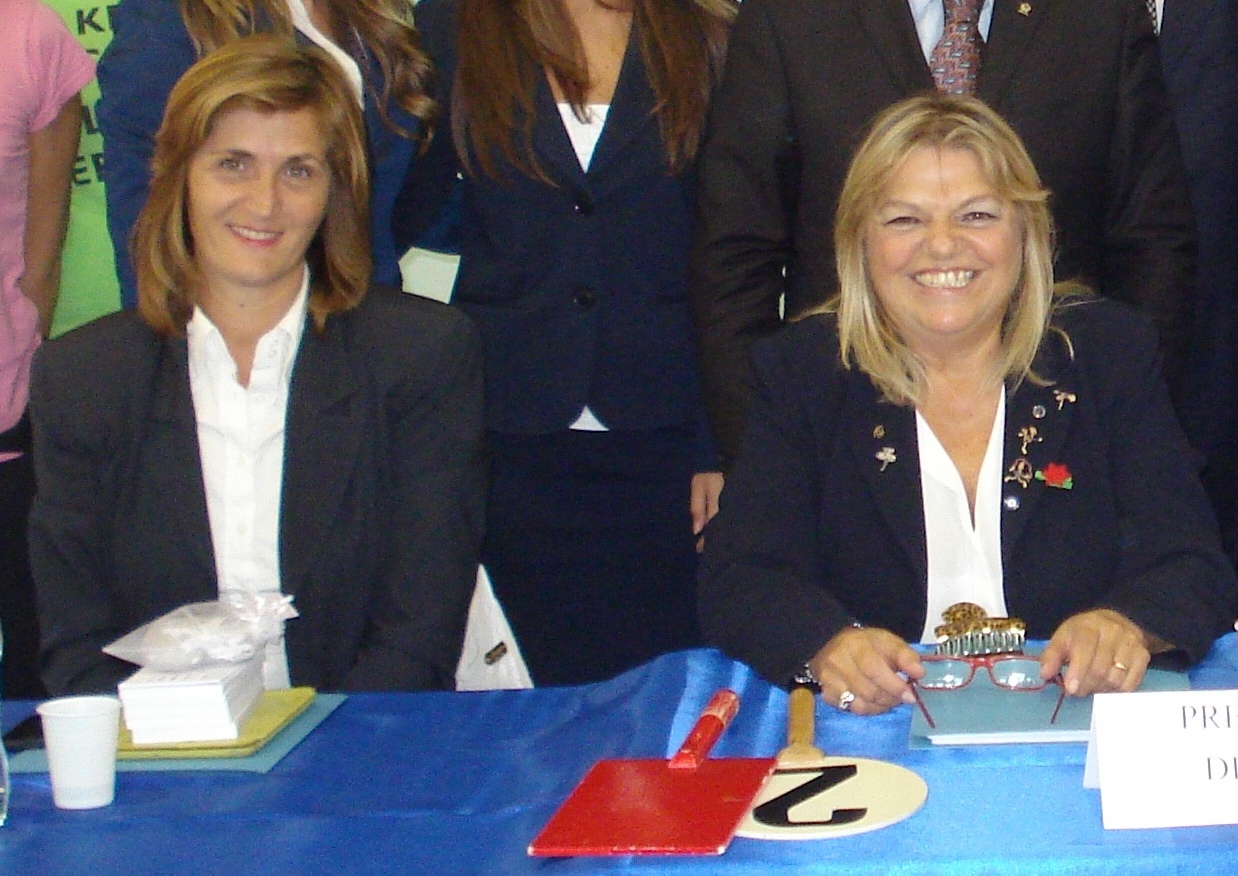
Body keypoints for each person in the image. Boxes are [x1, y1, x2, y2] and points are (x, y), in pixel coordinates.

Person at [698, 94, 1237, 715]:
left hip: (1077, 723)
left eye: (976, 215)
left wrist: (1128, 623)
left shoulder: (1106, 353)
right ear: (859, 242)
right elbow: (740, 577)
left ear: (1026, 233)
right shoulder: (805, 372)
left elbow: (1194, 563)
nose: (942, 246)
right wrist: (825, 644)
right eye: (905, 220)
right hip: (880, 729)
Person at [28, 35, 486, 696]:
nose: (265, 203)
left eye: (298, 171)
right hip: (154, 750)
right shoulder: (83, 378)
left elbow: (419, 633)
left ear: (335, 191)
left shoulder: (420, 358)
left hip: (364, 739)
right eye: (233, 165)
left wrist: (324, 752)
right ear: (178, 176)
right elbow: (77, 645)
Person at [690, 0, 1198, 468]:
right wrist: (764, 455)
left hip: (1062, 441)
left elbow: (1152, 243)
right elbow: (736, 254)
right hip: (838, 440)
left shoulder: (1100, 14)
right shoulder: (791, 14)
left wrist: (1124, 440)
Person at [395, 0, 734, 685]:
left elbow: (730, 255)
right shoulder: (454, 24)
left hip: (668, 438)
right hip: (506, 432)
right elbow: (399, 209)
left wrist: (720, 442)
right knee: (529, 701)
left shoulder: (708, 30)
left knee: (669, 694)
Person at [96, 0, 436, 308]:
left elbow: (402, 197)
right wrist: (171, 342)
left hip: (366, 313)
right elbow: (147, 218)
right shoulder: (168, 18)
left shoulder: (378, 14)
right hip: (227, 328)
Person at [0, 0, 94, 699]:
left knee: (38, 674)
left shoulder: (29, 35)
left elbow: (43, 253)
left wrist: (23, 336)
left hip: (10, 411)